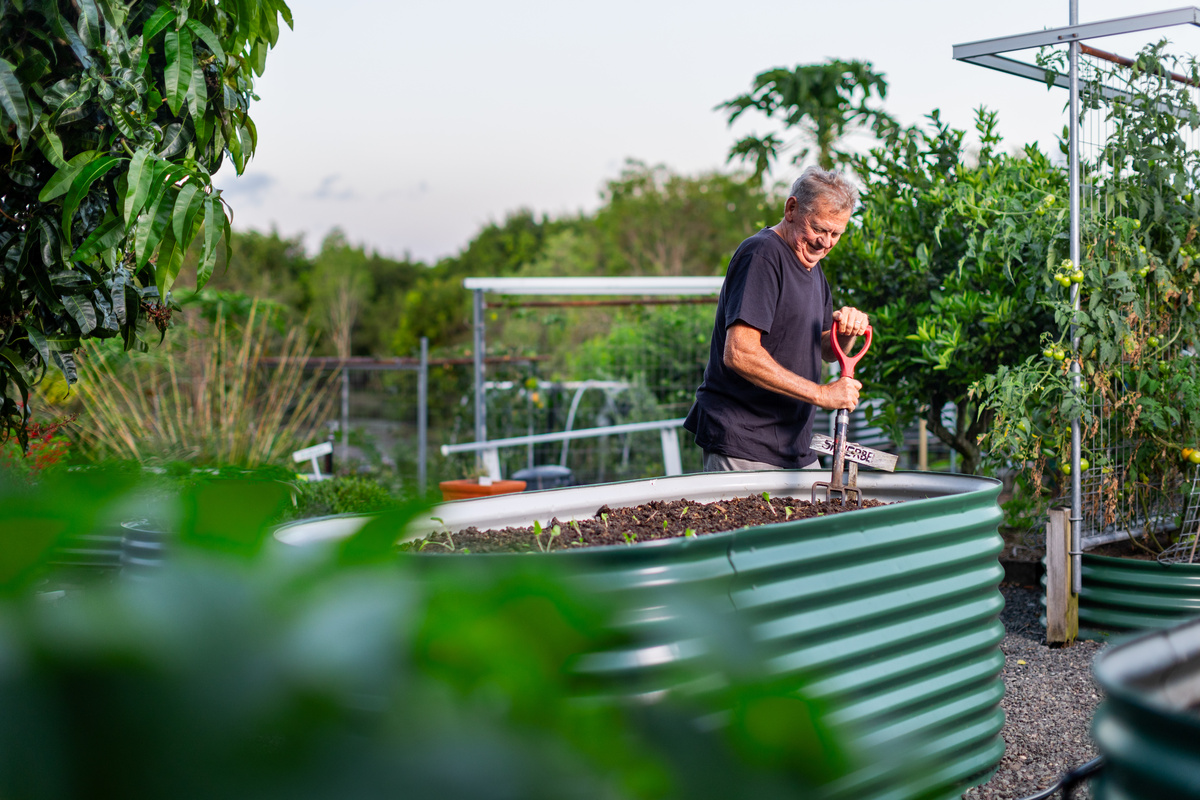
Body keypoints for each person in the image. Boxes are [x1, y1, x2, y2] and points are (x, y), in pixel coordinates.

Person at [683, 166, 870, 472]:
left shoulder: (813, 268)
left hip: (795, 446)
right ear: (791, 208)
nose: (826, 243)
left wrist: (846, 331)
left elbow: (824, 348)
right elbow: (740, 354)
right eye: (819, 229)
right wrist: (822, 394)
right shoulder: (762, 255)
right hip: (746, 445)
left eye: (836, 234)